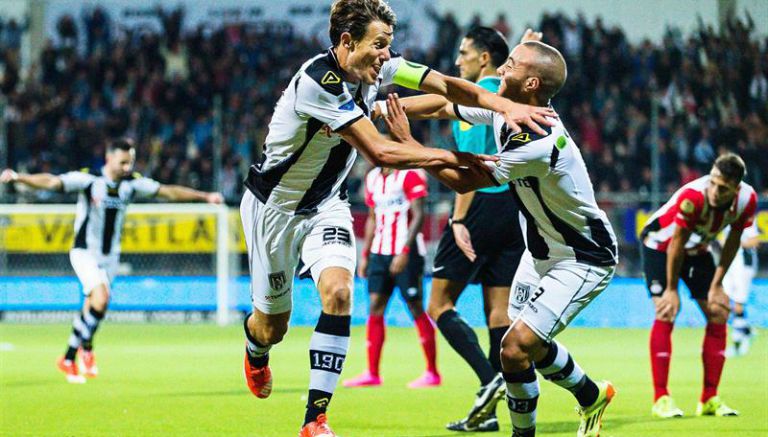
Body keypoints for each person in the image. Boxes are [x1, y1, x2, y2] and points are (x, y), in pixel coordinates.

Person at [237, 1, 555, 435]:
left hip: (327, 203)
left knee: (340, 293)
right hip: (273, 210)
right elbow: (380, 151)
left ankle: (316, 419)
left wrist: (504, 107)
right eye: (379, 45)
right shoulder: (319, 82)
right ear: (347, 42)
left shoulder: (382, 69)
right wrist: (454, 157)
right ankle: (256, 349)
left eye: (390, 45)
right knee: (272, 326)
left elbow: (445, 85)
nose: (387, 55)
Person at [383, 39, 619, 437]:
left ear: (530, 84)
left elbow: (465, 181)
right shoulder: (503, 109)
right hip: (539, 252)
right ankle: (592, 394)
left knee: (513, 348)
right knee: (525, 345)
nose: (500, 71)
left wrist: (409, 146)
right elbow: (446, 100)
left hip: (582, 257)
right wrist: (377, 109)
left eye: (510, 65)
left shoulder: (537, 139)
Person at [0, 138, 223, 383]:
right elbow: (53, 182)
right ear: (109, 158)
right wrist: (20, 178)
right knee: (101, 298)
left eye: (131, 162)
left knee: (94, 305)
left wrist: (204, 196)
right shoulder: (90, 179)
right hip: (84, 251)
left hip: (110, 256)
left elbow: (168, 191)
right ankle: (87, 348)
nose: (128, 167)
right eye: (123, 162)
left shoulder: (132, 183)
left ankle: (68, 357)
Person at [426, 27, 529, 432]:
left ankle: (490, 382)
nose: (457, 61)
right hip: (514, 208)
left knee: (439, 305)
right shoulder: (507, 94)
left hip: (481, 205)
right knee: (498, 314)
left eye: (464, 53)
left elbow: (473, 163)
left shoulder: (474, 99)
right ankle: (491, 415)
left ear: (484, 57)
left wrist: (458, 219)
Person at [641, 153, 757, 419]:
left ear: (736, 188)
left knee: (718, 311)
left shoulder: (746, 201)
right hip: (660, 246)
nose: (715, 191)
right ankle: (661, 399)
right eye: (713, 183)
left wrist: (717, 284)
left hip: (696, 249)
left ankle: (709, 399)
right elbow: (676, 243)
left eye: (723, 188)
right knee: (667, 310)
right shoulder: (693, 197)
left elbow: (732, 241)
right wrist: (671, 290)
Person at [343, 167, 439, 388]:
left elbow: (419, 215)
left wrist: (404, 252)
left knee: (415, 307)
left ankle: (432, 372)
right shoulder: (373, 178)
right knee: (375, 306)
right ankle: (372, 373)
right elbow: (372, 218)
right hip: (379, 252)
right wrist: (365, 255)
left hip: (407, 251)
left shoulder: (410, 175)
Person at [722, 223, 761, 356]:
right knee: (725, 301)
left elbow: (755, 240)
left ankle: (738, 345)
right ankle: (746, 330)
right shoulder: (726, 218)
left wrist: (737, 244)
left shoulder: (746, 218)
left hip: (743, 264)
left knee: (738, 304)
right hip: (729, 263)